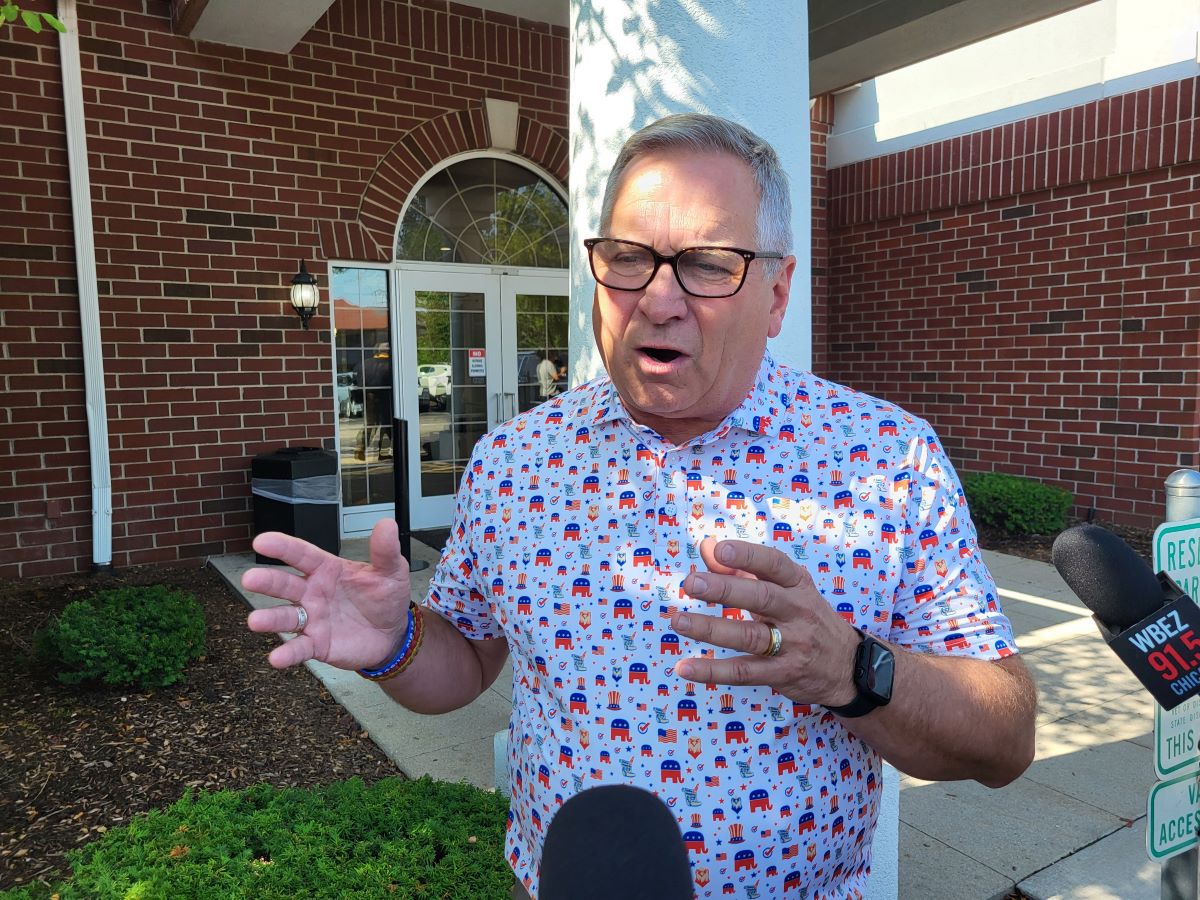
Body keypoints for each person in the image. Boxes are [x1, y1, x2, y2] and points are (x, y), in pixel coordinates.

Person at [245, 114, 1037, 899]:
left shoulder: (887, 459)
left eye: (707, 264)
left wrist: (850, 668)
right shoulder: (514, 462)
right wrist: (397, 642)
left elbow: (1004, 737)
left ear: (776, 294)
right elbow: (468, 658)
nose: (658, 300)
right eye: (628, 258)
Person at [353, 342, 392, 460]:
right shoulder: (392, 364)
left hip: (369, 397)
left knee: (369, 424)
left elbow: (357, 382)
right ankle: (383, 451)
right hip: (386, 397)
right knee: (387, 424)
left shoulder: (364, 364)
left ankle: (361, 447)